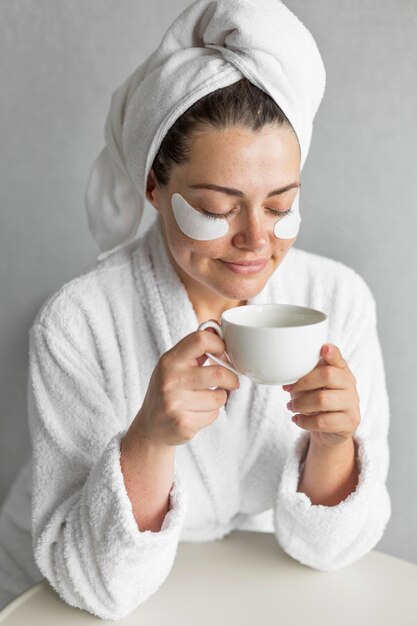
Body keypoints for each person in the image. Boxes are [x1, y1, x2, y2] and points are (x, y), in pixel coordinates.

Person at [0, 0, 391, 620]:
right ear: (153, 186)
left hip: (250, 591)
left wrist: (335, 442)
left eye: (281, 203)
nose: (257, 241)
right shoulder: (77, 322)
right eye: (217, 206)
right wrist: (149, 440)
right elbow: (98, 587)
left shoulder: (336, 300)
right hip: (61, 600)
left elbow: (331, 550)